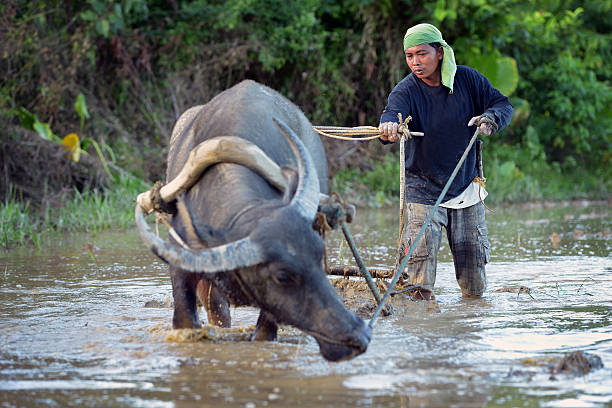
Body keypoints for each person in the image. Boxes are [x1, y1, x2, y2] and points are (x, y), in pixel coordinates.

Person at [378, 23, 513, 301]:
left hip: (465, 189)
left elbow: (502, 105)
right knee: (418, 283)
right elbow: (391, 115)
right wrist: (390, 128)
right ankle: (422, 329)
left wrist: (490, 120)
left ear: (440, 52)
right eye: (410, 56)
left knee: (474, 283)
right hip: (422, 191)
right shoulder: (406, 90)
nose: (416, 62)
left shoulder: (468, 80)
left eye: (422, 54)